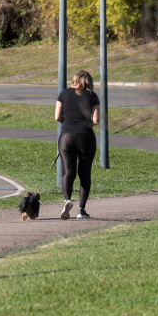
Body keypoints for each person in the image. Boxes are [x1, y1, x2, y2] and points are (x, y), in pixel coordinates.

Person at [55, 70, 100, 220]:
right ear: (89, 82)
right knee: (84, 174)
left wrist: (68, 123)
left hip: (66, 136)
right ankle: (81, 210)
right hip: (86, 137)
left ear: (74, 80)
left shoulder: (64, 93)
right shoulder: (92, 95)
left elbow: (57, 117)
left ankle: (67, 199)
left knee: (68, 172)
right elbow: (96, 120)